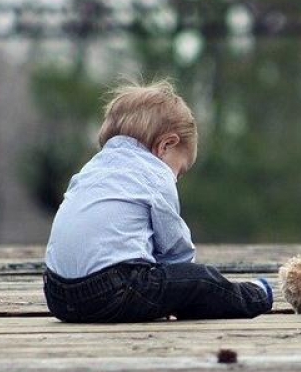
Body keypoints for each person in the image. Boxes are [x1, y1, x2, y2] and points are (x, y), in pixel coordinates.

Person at [43, 79, 273, 322]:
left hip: (57, 295)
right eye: (180, 171)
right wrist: (183, 280)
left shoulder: (91, 169)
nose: (176, 178)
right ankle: (256, 295)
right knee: (201, 281)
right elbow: (175, 248)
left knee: (167, 286)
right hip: (112, 292)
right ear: (166, 145)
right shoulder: (154, 174)